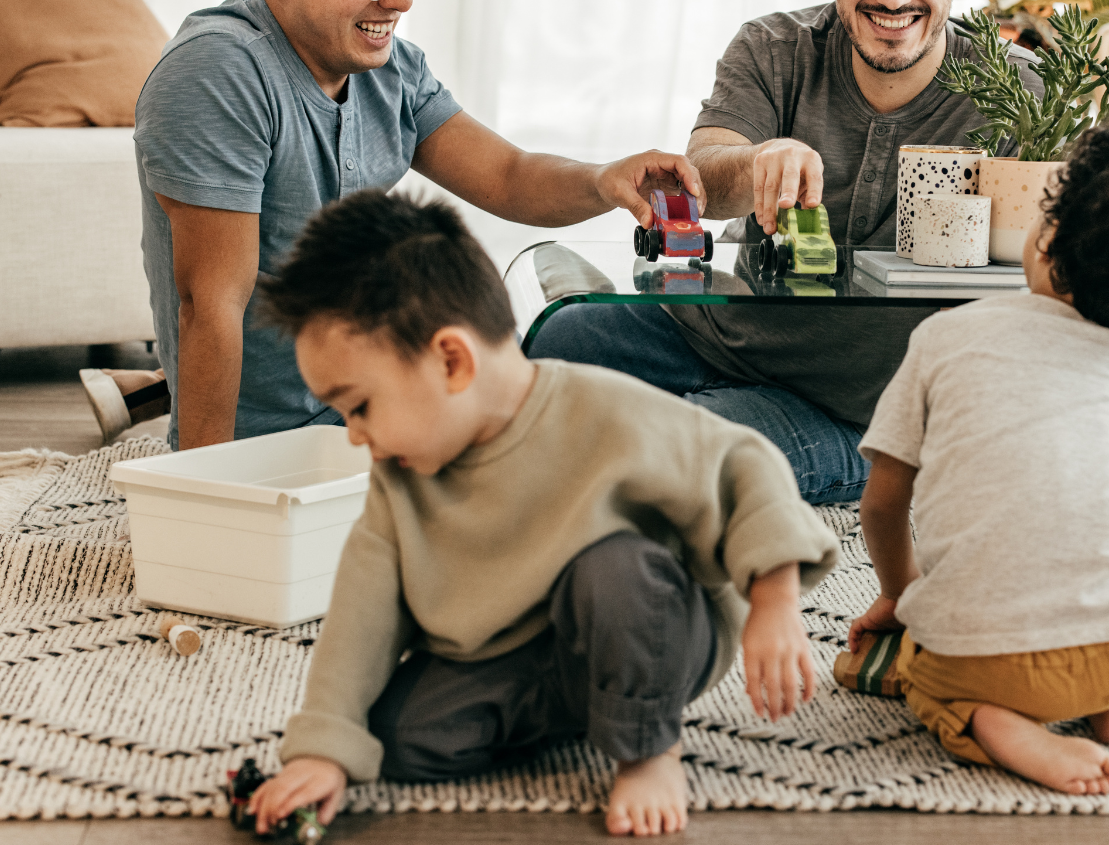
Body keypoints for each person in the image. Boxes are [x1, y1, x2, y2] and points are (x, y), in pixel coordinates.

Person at [244, 190, 839, 836]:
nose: (355, 433)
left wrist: (774, 602)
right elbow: (363, 611)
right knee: (394, 740)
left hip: (651, 623)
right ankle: (590, 709)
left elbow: (743, 463)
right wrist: (323, 752)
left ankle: (645, 746)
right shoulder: (400, 476)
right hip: (530, 652)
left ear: (451, 360)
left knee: (616, 568)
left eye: (359, 406)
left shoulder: (606, 410)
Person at [81, 0, 702, 451]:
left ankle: (143, 389)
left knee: (583, 373)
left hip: (374, 400)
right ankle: (157, 396)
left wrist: (604, 180)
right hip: (272, 438)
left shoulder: (391, 68)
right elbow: (210, 303)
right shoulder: (217, 73)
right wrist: (206, 495)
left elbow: (508, 175)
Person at [529, 0, 1043, 505]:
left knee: (677, 459)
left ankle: (702, 423)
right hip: (721, 336)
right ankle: (673, 399)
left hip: (857, 409)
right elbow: (703, 177)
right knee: (557, 342)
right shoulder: (772, 48)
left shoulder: (1024, 95)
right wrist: (760, 159)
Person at [844, 117, 1109, 793]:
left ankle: (995, 721)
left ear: (1047, 237)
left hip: (986, 658)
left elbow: (884, 498)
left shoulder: (945, 336)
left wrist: (898, 593)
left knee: (925, 670)